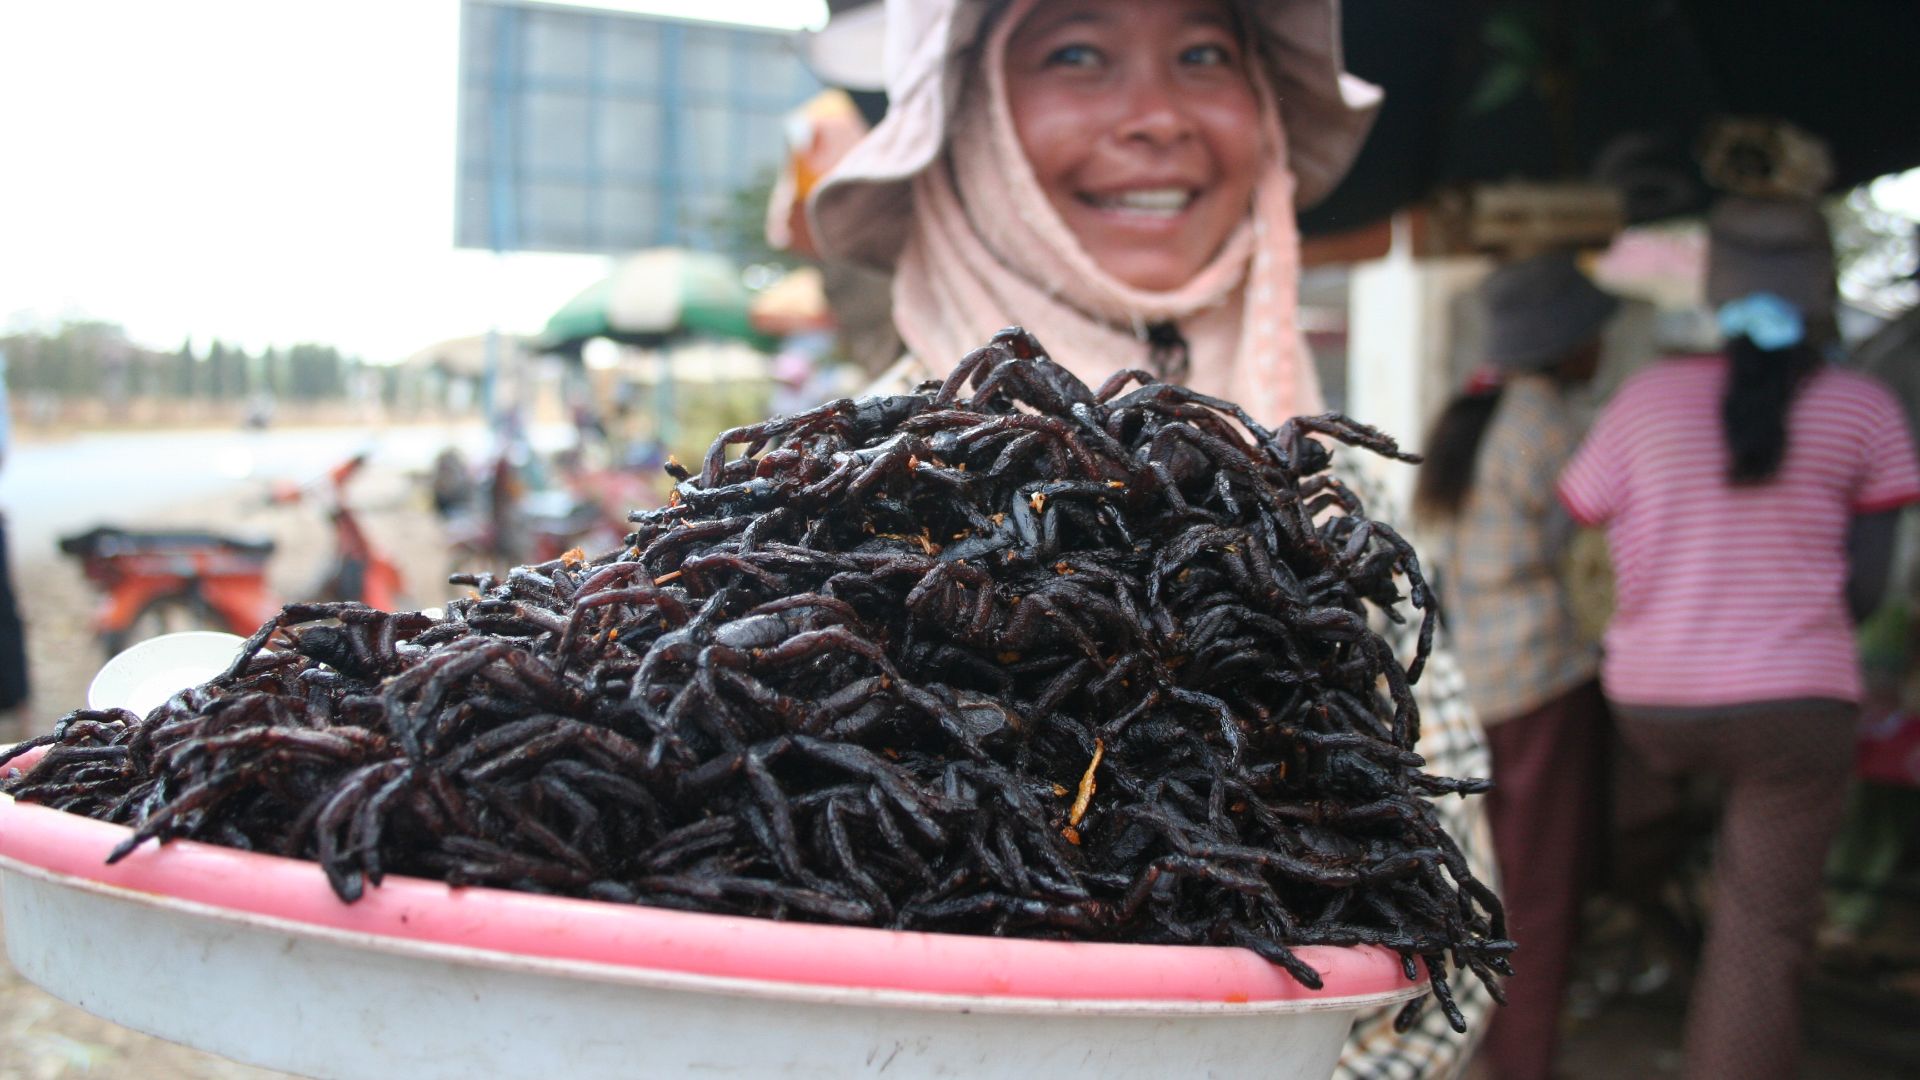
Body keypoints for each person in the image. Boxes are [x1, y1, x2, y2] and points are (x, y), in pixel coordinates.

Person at [808, 1, 1502, 1074]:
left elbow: (1440, 934)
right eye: (1075, 52)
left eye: (1204, 54)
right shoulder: (829, 503)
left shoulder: (1335, 491)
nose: (1157, 115)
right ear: (969, 123)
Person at [1557, 194, 1920, 1080]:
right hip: (1794, 708)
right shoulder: (1863, 407)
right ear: (1821, 289)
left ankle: (1656, 943)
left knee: (1635, 850)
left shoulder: (1647, 397)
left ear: (1718, 293)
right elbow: (1869, 589)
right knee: (1762, 926)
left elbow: (1575, 531)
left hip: (1649, 704)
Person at [1413, 251, 1615, 1080]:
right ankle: (1521, 1060)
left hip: (1472, 680)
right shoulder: (1555, 426)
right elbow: (1594, 563)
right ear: (1567, 346)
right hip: (1541, 678)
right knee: (1538, 887)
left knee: (1482, 876)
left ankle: (1471, 1044)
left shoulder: (1471, 411)